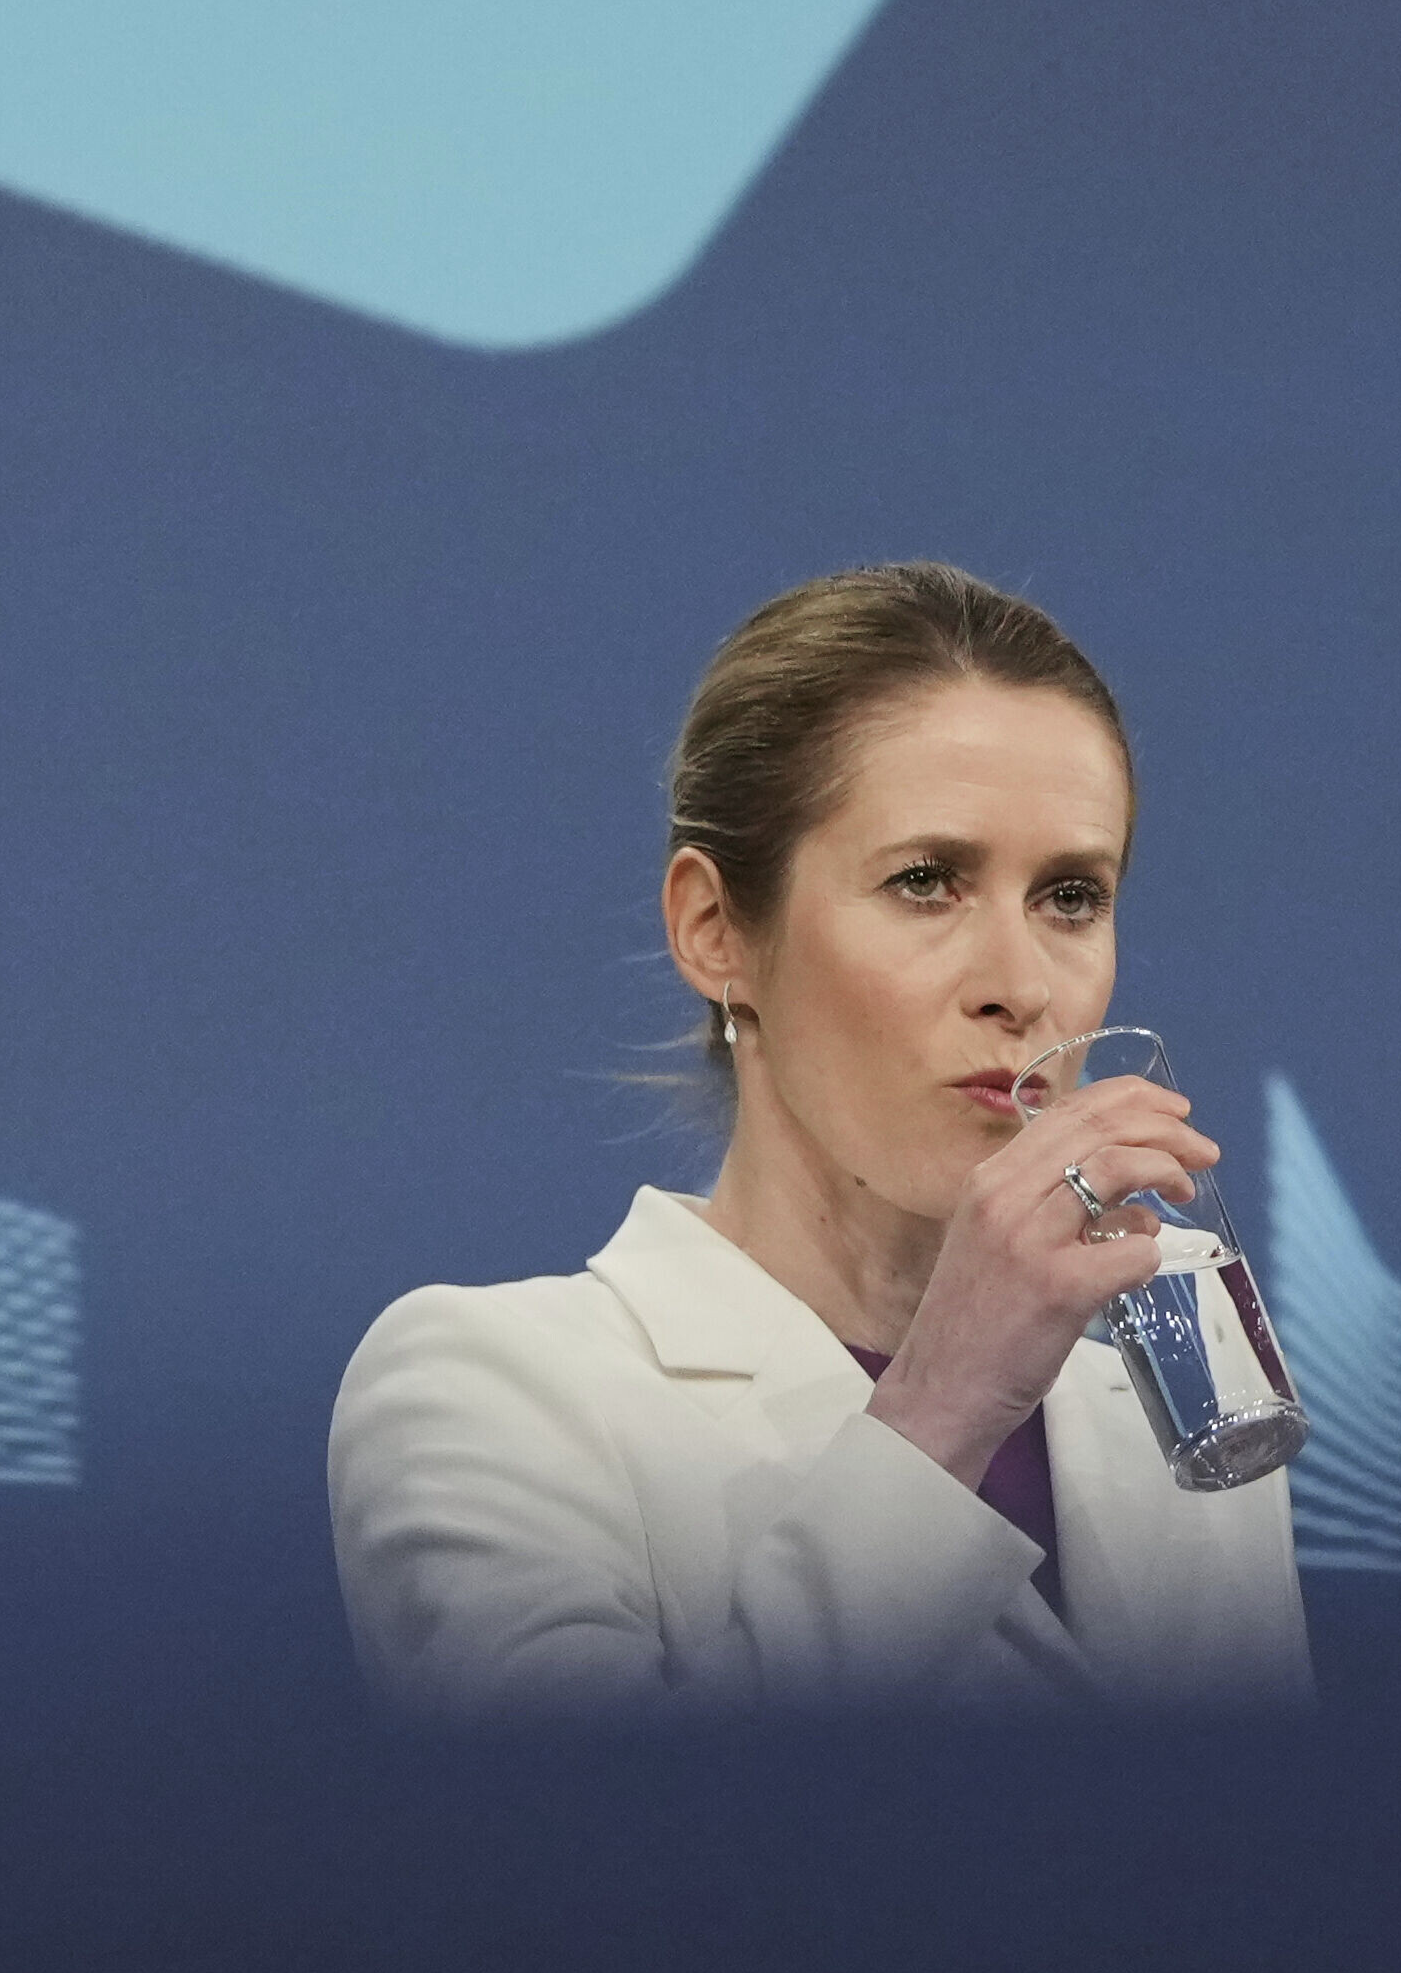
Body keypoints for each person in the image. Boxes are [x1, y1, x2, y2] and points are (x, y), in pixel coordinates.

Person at [326, 562, 1308, 1715]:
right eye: (925, 882)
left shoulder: (1171, 1403)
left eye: (1070, 898)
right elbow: (584, 1859)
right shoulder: (491, 1385)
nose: (1019, 986)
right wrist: (941, 1405)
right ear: (714, 932)